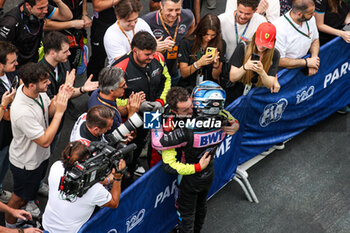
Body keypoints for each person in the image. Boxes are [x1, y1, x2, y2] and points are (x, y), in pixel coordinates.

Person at [152, 83, 239, 233]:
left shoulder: (187, 131)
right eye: (186, 109)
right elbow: (226, 114)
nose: (191, 111)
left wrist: (152, 117)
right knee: (201, 207)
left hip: (190, 177)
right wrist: (236, 123)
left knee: (186, 216)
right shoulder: (224, 120)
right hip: (209, 172)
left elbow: (157, 143)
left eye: (191, 106)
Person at [5, 62, 71, 228]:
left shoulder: (37, 93)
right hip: (26, 164)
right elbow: (45, 141)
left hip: (39, 158)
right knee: (18, 197)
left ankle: (27, 204)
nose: (48, 83)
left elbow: (48, 110)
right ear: (32, 85)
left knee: (28, 192)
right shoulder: (21, 111)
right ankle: (10, 225)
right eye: (44, 81)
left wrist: (61, 96)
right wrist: (61, 111)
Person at [43, 141, 126, 233]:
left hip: (47, 224)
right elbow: (114, 203)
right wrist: (118, 177)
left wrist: (107, 180)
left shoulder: (56, 166)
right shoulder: (95, 190)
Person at [0, 0, 73, 66]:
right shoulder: (10, 22)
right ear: (28, 6)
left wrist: (58, 2)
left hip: (34, 61)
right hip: (18, 65)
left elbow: (67, 16)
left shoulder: (43, 9)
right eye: (41, 8)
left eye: (46, 6)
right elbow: (2, 49)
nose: (45, 11)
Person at [143, 0, 195, 86]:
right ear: (161, 6)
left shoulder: (188, 15)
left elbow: (192, 26)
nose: (174, 14)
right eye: (170, 10)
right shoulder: (146, 21)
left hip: (174, 69)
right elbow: (137, 46)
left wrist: (182, 41)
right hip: (153, 71)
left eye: (177, 9)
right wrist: (154, 48)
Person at [229, 22, 281, 98]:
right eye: (260, 42)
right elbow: (232, 78)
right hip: (236, 91)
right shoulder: (243, 47)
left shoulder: (275, 54)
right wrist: (245, 67)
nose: (262, 46)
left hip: (257, 93)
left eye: (265, 44)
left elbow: (269, 84)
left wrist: (262, 72)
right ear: (255, 37)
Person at [177, 13, 226, 90]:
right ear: (201, 31)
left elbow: (215, 77)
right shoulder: (187, 42)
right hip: (188, 86)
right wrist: (198, 63)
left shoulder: (220, 44)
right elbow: (183, 73)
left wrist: (216, 65)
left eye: (213, 35)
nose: (209, 38)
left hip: (209, 87)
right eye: (206, 34)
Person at [88, 67, 143, 135]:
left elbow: (116, 106)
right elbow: (123, 136)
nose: (125, 87)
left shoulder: (97, 92)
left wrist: (129, 103)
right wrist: (132, 112)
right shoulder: (108, 118)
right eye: (122, 86)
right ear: (112, 90)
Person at [273, 0, 320, 76]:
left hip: (303, 66)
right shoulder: (278, 28)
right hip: (284, 73)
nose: (314, 15)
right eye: (310, 13)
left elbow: (315, 39)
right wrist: (306, 62)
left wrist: (314, 59)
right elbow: (279, 60)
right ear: (299, 14)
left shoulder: (311, 19)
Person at [104, 0, 155, 67]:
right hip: (122, 70)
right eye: (129, 21)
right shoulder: (111, 35)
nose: (133, 24)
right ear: (118, 17)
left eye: (135, 19)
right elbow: (124, 61)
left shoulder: (141, 22)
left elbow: (153, 44)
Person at [44, 0, 92, 69]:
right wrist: (72, 24)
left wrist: (84, 14)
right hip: (57, 37)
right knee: (55, 68)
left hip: (77, 33)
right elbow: (45, 25)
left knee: (73, 67)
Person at [0, 41, 18, 203]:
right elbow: (5, 116)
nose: (16, 64)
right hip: (1, 136)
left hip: (9, 135)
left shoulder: (12, 74)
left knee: (5, 165)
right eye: (12, 62)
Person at [86, 0, 120, 81]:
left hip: (122, 22)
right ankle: (93, 90)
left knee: (123, 55)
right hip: (103, 24)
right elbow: (97, 6)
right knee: (98, 58)